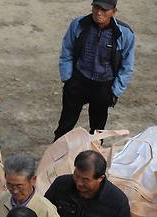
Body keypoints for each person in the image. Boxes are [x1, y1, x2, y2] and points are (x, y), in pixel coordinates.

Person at [53, 0, 135, 141]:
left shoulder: (124, 34)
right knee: (65, 125)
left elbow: (127, 66)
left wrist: (115, 91)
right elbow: (67, 50)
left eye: (104, 9)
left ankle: (94, 159)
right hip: (78, 81)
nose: (99, 12)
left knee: (97, 131)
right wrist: (67, 78)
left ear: (114, 12)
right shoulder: (78, 25)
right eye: (96, 7)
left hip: (103, 87)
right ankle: (56, 158)